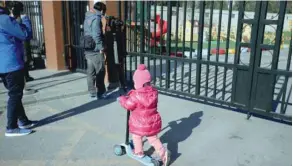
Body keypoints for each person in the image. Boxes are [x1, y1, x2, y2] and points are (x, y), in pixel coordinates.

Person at [118, 64, 171, 166]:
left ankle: (139, 153)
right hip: (152, 121)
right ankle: (162, 152)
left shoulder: (135, 95)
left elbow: (128, 105)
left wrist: (122, 99)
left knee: (137, 137)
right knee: (153, 138)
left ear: (138, 82)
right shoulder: (154, 93)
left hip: (139, 123)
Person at [0, 1, 37, 137]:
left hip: (3, 65)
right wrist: (25, 18)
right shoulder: (4, 20)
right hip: (12, 63)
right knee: (15, 95)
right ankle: (11, 127)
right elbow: (25, 34)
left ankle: (23, 121)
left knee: (15, 93)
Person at [83, 0, 107, 99]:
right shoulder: (96, 19)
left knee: (90, 71)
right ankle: (101, 92)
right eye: (103, 11)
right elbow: (96, 35)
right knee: (100, 70)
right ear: (101, 10)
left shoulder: (87, 17)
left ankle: (92, 91)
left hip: (88, 47)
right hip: (95, 49)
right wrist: (101, 48)